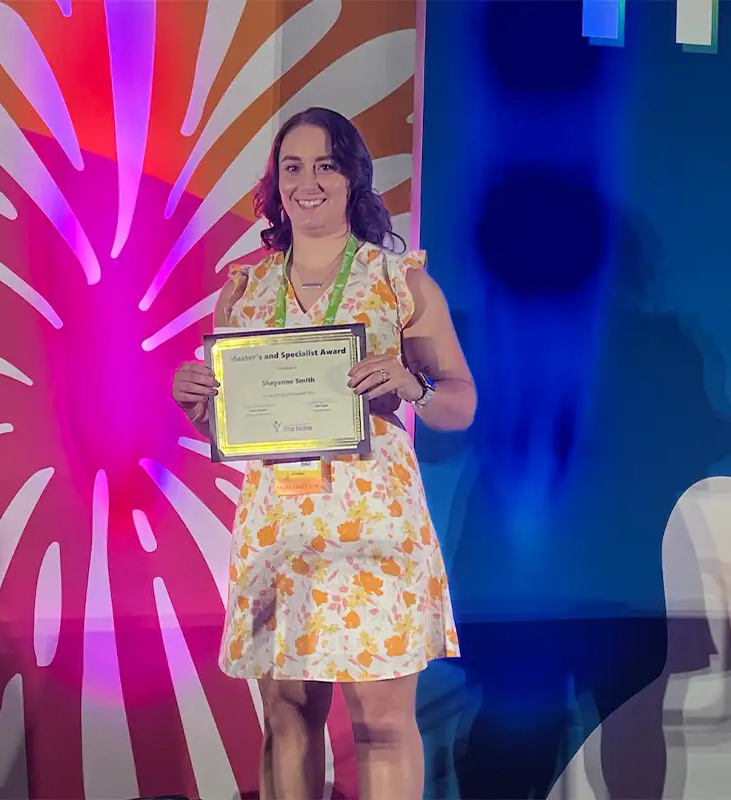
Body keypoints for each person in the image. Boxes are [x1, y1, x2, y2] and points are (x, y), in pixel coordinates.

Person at [171, 107, 476, 800]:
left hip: (375, 527)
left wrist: (412, 382)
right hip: (282, 525)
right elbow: (234, 419)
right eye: (292, 167)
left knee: (383, 723)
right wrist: (197, 402)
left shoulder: (401, 282)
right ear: (275, 184)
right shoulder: (243, 292)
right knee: (286, 717)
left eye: (326, 165)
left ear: (353, 178)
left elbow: (461, 403)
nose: (308, 182)